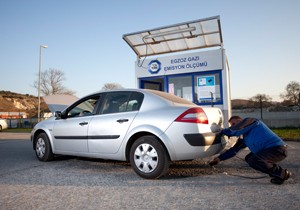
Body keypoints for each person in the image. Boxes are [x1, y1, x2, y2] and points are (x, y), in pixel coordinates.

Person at [209, 116, 291, 185]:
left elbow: (235, 130)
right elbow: (234, 150)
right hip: (269, 151)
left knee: (254, 160)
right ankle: (278, 173)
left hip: (277, 149)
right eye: (231, 125)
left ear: (240, 121)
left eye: (234, 123)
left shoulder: (252, 121)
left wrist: (222, 130)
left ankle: (282, 174)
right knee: (249, 158)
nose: (233, 126)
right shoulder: (245, 137)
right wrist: (219, 158)